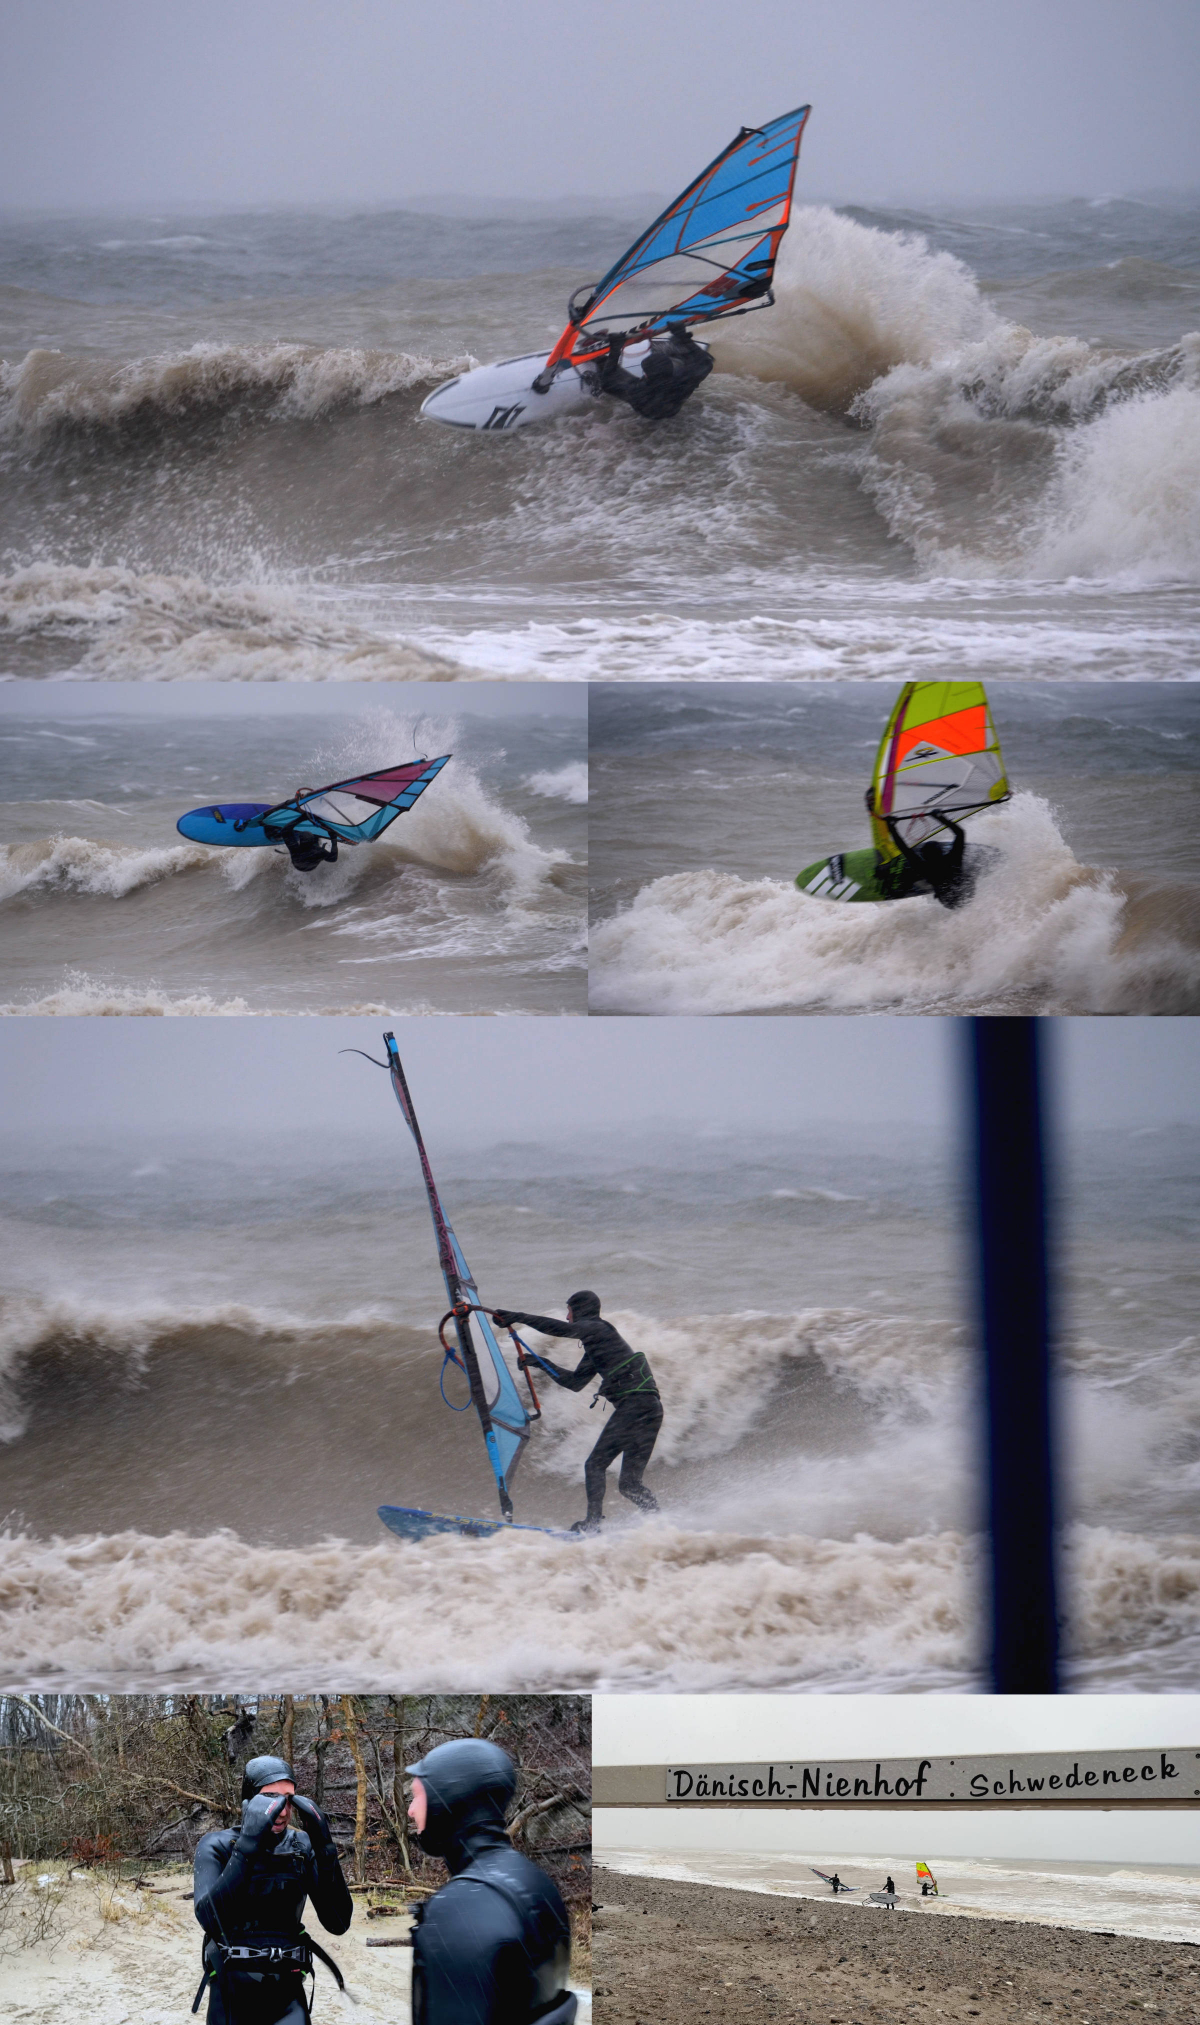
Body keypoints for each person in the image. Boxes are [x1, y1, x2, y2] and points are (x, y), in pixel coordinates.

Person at [408, 1738, 577, 2025]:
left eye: (417, 1796)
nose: (411, 1810)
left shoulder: (461, 1907)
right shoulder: (536, 1882)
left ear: (445, 1799)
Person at [192, 1754, 352, 2023]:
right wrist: (247, 1846)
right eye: (270, 1797)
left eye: (289, 1799)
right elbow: (209, 1919)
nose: (281, 1808)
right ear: (248, 1801)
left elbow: (337, 1922)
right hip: (232, 1991)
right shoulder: (217, 1845)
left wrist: (325, 1851)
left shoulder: (301, 1847)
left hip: (288, 1992)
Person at [490, 1291, 662, 1533]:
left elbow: (562, 1329)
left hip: (636, 1406)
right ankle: (658, 1524)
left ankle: (591, 1524)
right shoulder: (598, 1345)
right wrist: (540, 1362)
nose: (567, 1317)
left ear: (581, 1310)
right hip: (650, 1410)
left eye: (569, 1310)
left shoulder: (599, 1329)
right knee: (629, 1485)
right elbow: (574, 1382)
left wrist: (518, 1317)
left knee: (595, 1465)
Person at [592, 323, 713, 421]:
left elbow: (607, 384)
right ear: (671, 369)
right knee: (679, 348)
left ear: (645, 374)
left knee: (608, 374)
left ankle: (598, 361)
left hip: (647, 411)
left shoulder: (637, 389)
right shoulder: (684, 380)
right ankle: (677, 341)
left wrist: (615, 350)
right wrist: (683, 336)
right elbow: (706, 362)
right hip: (672, 409)